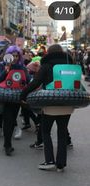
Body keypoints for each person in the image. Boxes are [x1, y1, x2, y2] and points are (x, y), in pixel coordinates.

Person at [20, 44, 74, 172]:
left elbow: (36, 82)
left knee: (46, 131)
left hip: (50, 103)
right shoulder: (69, 65)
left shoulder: (47, 65)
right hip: (67, 104)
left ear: (48, 53)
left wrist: (23, 95)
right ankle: (61, 164)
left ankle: (49, 161)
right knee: (62, 133)